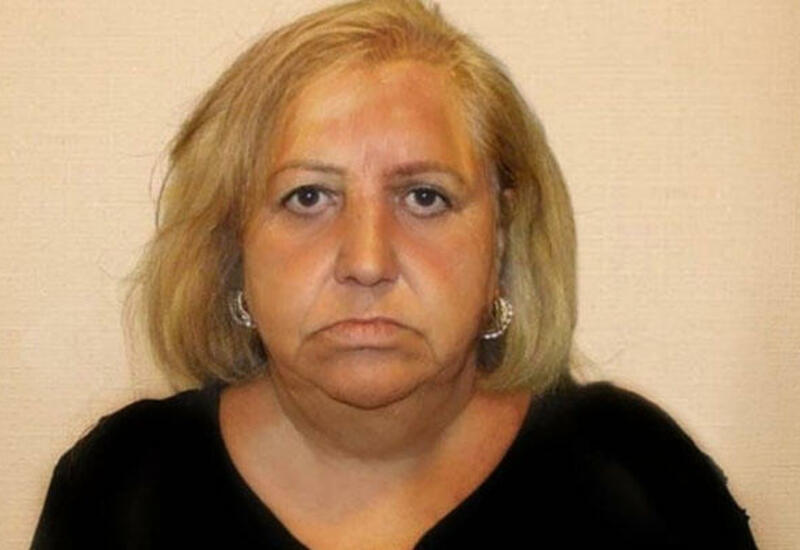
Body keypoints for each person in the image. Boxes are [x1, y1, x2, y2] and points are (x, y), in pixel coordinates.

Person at [31, 0, 757, 548]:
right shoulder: (120, 489)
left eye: (425, 197)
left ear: (501, 239)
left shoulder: (637, 481)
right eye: (307, 197)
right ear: (233, 246)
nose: (367, 262)